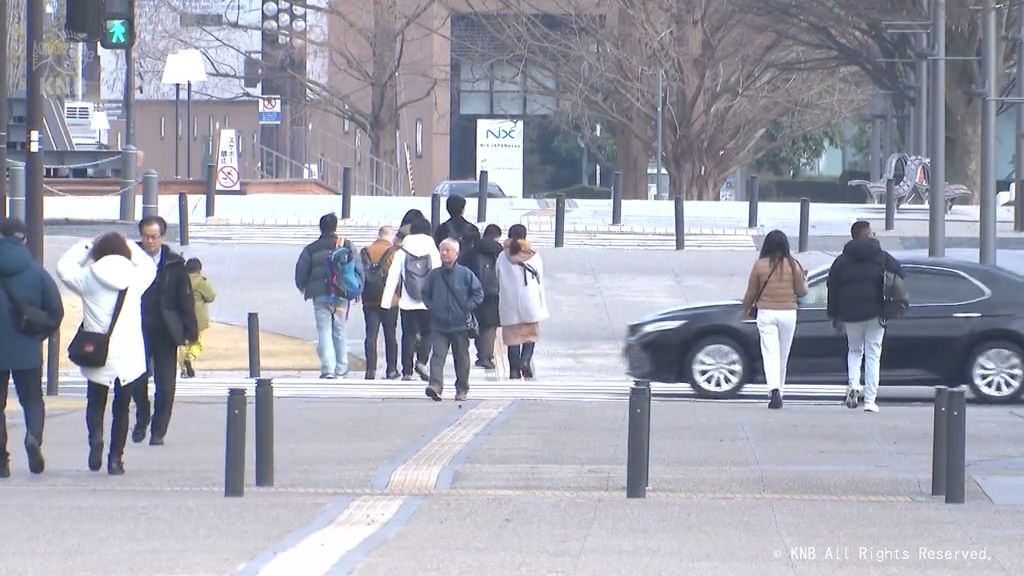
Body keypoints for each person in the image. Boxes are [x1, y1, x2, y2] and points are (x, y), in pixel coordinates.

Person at [58, 233, 156, 475]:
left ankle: (95, 441)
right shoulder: (136, 278)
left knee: (95, 403)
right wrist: (131, 245)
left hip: (97, 351)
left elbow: (64, 267)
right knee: (122, 408)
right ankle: (115, 459)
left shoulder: (88, 278)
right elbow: (148, 264)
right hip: (127, 354)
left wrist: (88, 245)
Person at [0, 218, 63, 478]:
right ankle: (33, 437)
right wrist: (39, 335)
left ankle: (2, 463)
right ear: (24, 239)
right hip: (27, 346)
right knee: (32, 400)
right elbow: (56, 312)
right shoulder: (37, 272)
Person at [131, 216, 197, 446]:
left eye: (154, 237)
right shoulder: (129, 259)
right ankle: (142, 415)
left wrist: (190, 330)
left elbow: (185, 299)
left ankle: (158, 430)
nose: (150, 241)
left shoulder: (174, 263)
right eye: (146, 236)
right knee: (135, 379)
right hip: (135, 328)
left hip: (166, 328)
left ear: (162, 237)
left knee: (166, 384)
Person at [827, 220, 905, 413]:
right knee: (873, 355)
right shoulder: (882, 257)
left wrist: (834, 314)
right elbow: (901, 273)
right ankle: (870, 401)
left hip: (850, 314)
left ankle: (853, 386)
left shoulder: (841, 260)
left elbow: (832, 288)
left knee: (854, 351)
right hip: (876, 312)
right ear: (868, 234)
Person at [741, 230, 808, 410]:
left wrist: (745, 309)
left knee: (770, 353)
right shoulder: (793, 264)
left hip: (766, 312)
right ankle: (781, 391)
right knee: (783, 355)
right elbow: (802, 291)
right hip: (788, 313)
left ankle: (774, 390)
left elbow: (751, 291)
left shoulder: (760, 265)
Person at [294, 213, 364, 379]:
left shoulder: (311, 249)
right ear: (335, 227)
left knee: (324, 330)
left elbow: (301, 272)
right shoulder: (346, 245)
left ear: (321, 227)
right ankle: (342, 365)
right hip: (342, 293)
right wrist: (359, 288)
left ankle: (328, 368)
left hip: (320, 295)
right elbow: (358, 269)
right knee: (339, 328)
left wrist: (304, 287)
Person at [422, 238, 484, 401]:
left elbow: (478, 293)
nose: (444, 253)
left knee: (461, 358)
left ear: (456, 254)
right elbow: (425, 294)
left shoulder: (465, 274)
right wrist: (434, 308)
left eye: (448, 250)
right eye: (442, 250)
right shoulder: (434, 275)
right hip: (439, 324)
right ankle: (435, 386)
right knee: (437, 356)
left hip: (460, 324)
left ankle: (462, 388)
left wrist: (467, 306)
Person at [382, 217, 441, 381]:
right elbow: (438, 276)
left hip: (407, 302)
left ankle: (407, 370)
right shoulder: (433, 251)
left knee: (408, 334)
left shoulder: (402, 252)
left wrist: (386, 302)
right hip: (428, 302)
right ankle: (422, 361)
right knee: (428, 332)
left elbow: (392, 278)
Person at [496, 224, 549, 379]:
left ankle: (513, 370)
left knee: (513, 338)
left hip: (509, 301)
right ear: (525, 237)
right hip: (530, 299)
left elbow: (497, 275)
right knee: (530, 334)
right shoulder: (533, 255)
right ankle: (525, 360)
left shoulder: (502, 256)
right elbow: (540, 276)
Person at [361, 226, 400, 380]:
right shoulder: (394, 252)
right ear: (390, 236)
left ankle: (370, 369)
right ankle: (391, 369)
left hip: (369, 298)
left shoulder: (366, 251)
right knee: (390, 335)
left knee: (371, 334)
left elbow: (360, 272)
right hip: (389, 299)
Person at [463, 224, 502, 369]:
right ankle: (485, 356)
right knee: (490, 326)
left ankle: (480, 354)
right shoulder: (499, 252)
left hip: (474, 291)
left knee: (477, 322)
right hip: (493, 292)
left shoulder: (471, 251)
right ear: (497, 236)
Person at [179, 258, 216, 379]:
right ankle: (190, 358)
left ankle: (183, 368)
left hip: (182, 316)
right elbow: (211, 296)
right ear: (199, 270)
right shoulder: (201, 282)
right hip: (197, 318)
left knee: (183, 343)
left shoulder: (180, 281)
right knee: (197, 342)